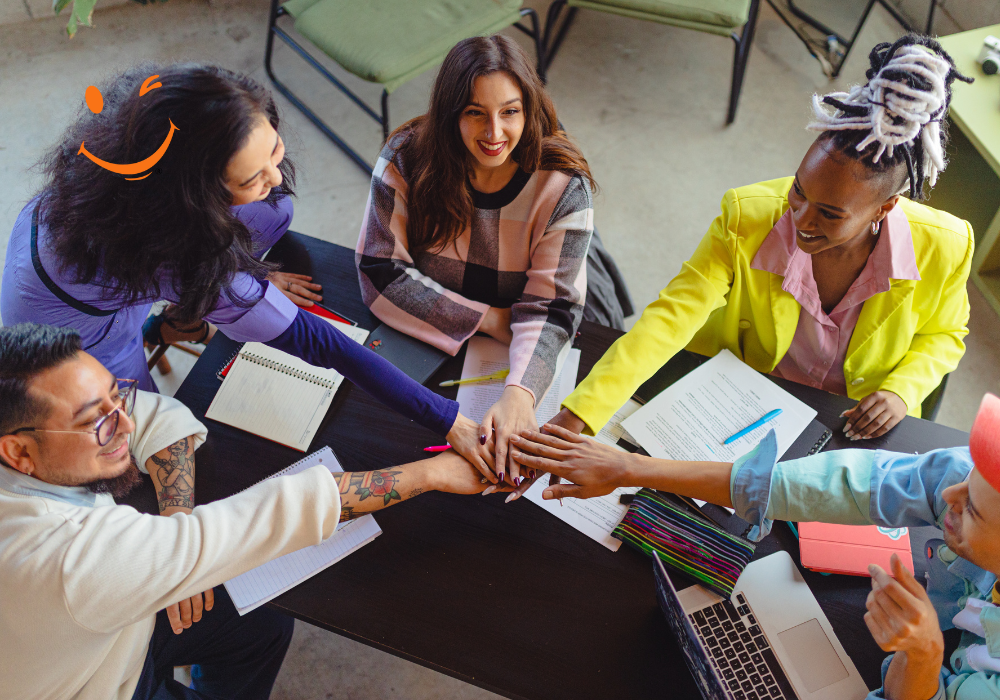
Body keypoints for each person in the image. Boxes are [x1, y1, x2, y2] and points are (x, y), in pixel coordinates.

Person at [0, 62, 493, 480]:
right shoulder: (176, 251)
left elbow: (252, 213)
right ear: (194, 200)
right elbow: (319, 342)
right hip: (78, 336)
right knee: (139, 440)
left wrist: (241, 282)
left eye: (273, 151)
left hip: (88, 257)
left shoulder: (136, 138)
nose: (275, 176)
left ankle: (172, 319)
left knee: (273, 210)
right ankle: (161, 328)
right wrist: (450, 420)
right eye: (251, 176)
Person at [0, 323, 498, 700]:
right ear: (18, 452)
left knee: (260, 626)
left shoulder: (29, 455)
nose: (125, 425)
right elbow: (262, 517)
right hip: (93, 684)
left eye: (117, 396)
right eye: (98, 423)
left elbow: (158, 415)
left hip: (102, 632)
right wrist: (430, 475)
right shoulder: (67, 558)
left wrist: (176, 521)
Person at [545, 35, 974, 452]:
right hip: (741, 406)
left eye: (829, 213)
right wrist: (581, 413)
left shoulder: (945, 247)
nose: (800, 219)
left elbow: (945, 334)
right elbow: (669, 320)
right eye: (800, 190)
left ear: (885, 209)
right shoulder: (745, 217)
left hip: (852, 430)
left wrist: (902, 391)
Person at [509, 394, 1000, 700]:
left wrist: (924, 655)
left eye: (970, 510)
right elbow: (842, 485)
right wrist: (630, 469)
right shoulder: (969, 479)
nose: (947, 498)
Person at [356, 35, 602, 486]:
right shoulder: (406, 157)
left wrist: (520, 396)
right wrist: (488, 318)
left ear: (529, 108)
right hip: (466, 327)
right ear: (450, 114)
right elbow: (377, 272)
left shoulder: (564, 185)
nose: (494, 134)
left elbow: (553, 309)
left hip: (529, 313)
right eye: (475, 113)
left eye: (510, 111)